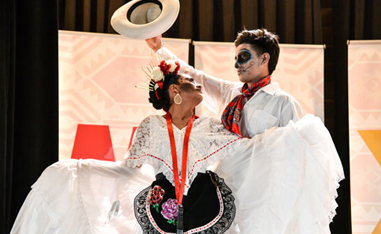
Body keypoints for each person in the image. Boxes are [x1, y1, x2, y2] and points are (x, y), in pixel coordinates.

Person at [10, 59, 343, 234]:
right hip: (161, 206)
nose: (197, 84)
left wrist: (290, 140)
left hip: (205, 206)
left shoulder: (210, 127)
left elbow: (245, 151)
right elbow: (129, 169)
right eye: (189, 82)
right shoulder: (151, 127)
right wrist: (80, 169)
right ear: (174, 93)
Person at [146, 29, 302, 137]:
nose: (236, 65)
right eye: (236, 59)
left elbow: (291, 152)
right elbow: (194, 75)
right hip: (222, 179)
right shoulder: (230, 92)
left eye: (243, 57)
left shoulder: (284, 103)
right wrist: (159, 49)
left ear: (264, 58)